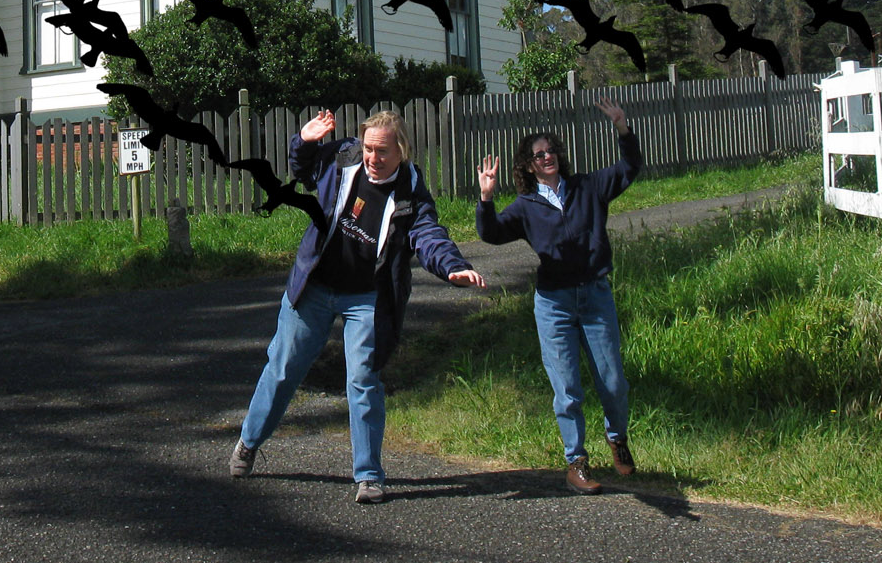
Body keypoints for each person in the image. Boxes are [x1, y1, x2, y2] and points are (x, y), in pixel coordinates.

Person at [230, 107, 486, 504]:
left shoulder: (411, 192)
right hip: (314, 286)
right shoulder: (343, 158)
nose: (373, 158)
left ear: (401, 151)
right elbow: (304, 169)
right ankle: (249, 442)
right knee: (282, 369)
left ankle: (369, 476)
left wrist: (452, 266)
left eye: (382, 151)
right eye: (369, 148)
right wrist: (305, 140)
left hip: (368, 297)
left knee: (363, 380)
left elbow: (429, 235)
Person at [476, 97, 641, 496]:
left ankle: (617, 438)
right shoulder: (526, 207)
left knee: (613, 382)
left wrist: (622, 127)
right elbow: (491, 234)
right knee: (567, 388)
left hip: (595, 296)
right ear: (528, 165)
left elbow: (630, 167)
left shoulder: (588, 187)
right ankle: (576, 462)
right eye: (539, 154)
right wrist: (486, 198)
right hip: (554, 304)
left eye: (551, 151)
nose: (547, 157)